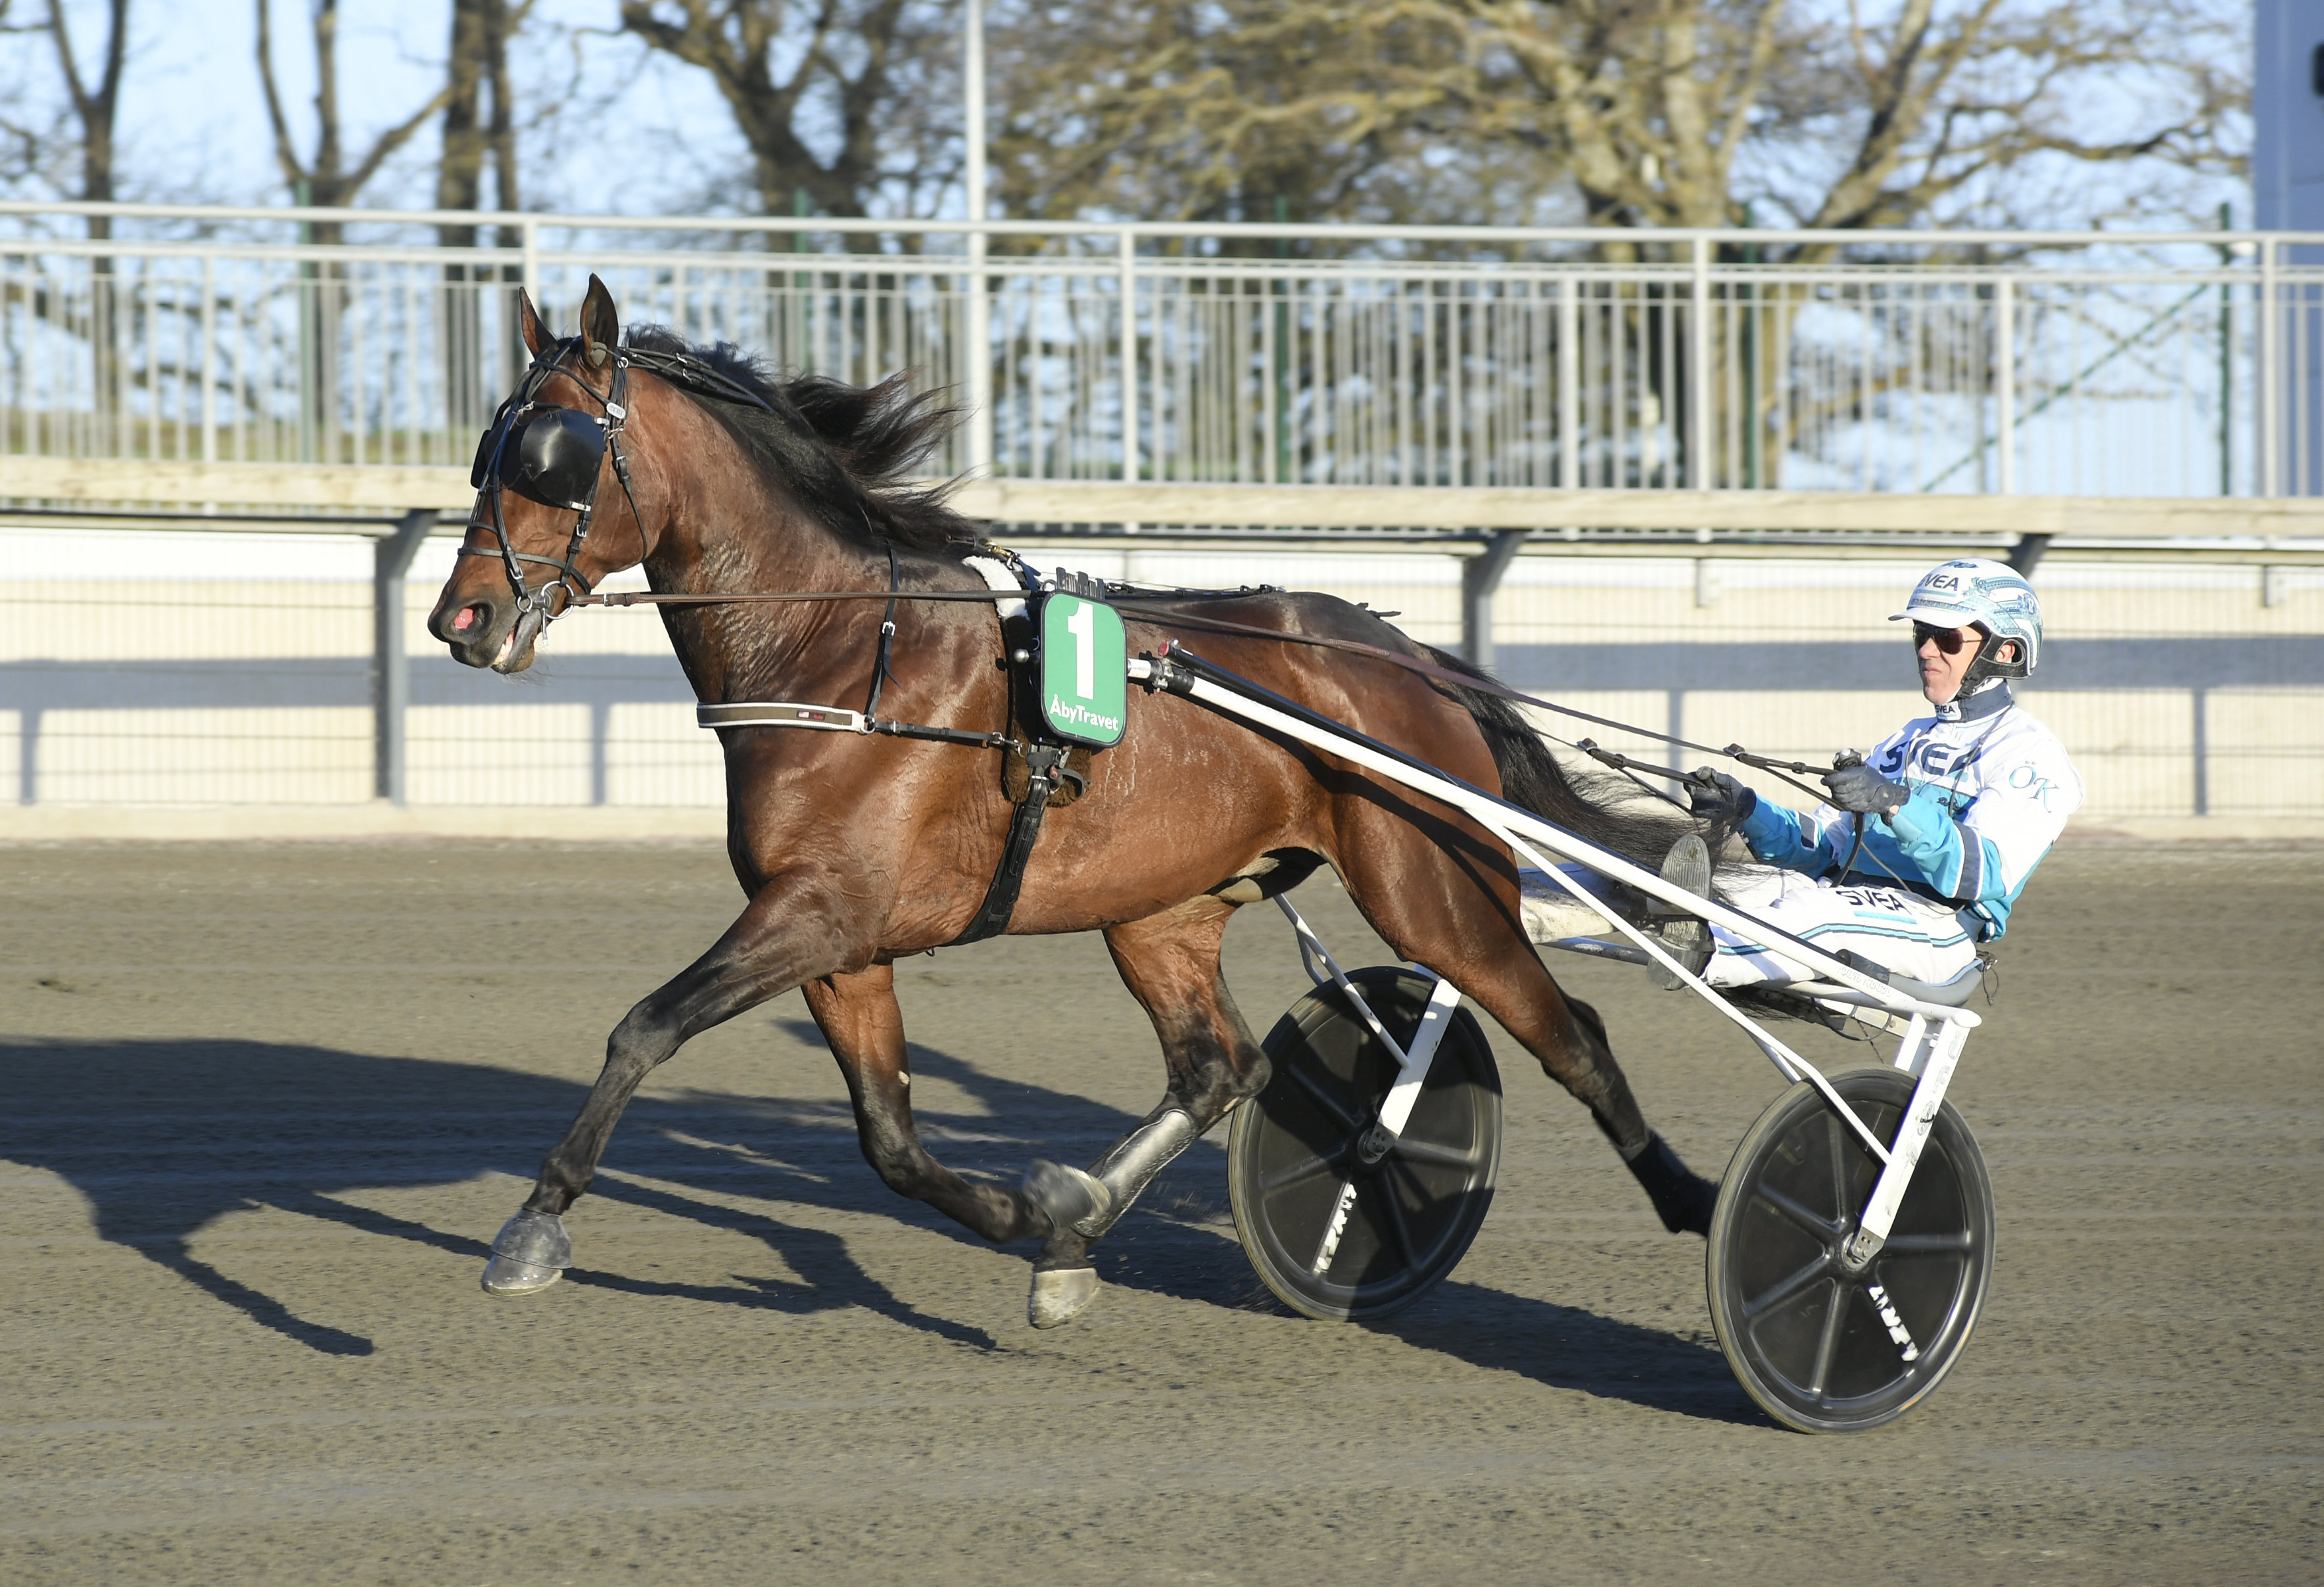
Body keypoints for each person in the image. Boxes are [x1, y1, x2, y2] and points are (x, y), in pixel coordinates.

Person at [1672, 557, 2085, 990]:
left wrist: (1894, 803)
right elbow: (1825, 848)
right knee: (1734, 883)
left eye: (1946, 638)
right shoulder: (1906, 738)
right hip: (1852, 898)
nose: (1927, 650)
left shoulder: (2032, 754)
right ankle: (1655, 926)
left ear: (2005, 651)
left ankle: (1700, 955)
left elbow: (1981, 874)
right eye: (1921, 634)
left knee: (1815, 914)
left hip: (1938, 925)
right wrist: (1748, 810)